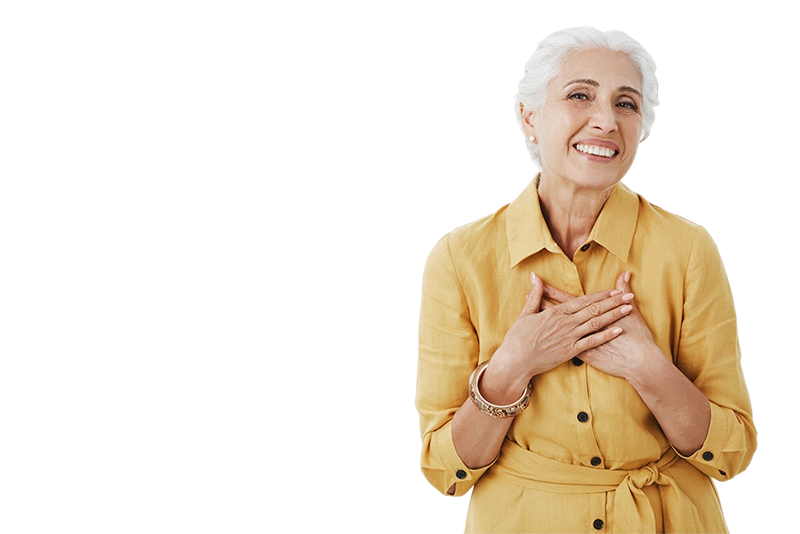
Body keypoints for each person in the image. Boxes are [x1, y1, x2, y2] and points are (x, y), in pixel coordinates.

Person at [417, 26, 757, 533]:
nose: (606, 121)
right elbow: (443, 471)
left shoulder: (688, 251)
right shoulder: (458, 258)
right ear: (528, 117)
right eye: (580, 95)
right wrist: (512, 366)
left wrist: (648, 368)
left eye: (627, 104)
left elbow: (733, 453)